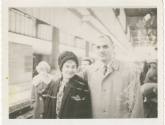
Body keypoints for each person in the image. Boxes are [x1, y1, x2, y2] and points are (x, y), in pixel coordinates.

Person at [81, 35, 144, 118]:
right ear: (94, 49)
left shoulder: (129, 72)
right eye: (98, 47)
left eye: (105, 46)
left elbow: (137, 106)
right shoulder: (88, 72)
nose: (101, 50)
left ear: (113, 48)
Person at [43, 51, 91, 119]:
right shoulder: (54, 84)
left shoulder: (82, 85)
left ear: (76, 68)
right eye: (67, 66)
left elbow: (85, 112)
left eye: (73, 67)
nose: (70, 70)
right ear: (61, 68)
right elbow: (47, 106)